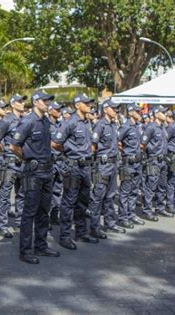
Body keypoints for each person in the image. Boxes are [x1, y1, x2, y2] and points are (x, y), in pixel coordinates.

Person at [10, 90, 60, 264]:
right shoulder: (28, 121)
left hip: (47, 171)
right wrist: (27, 158)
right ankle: (25, 250)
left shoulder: (45, 121)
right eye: (45, 101)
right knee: (29, 212)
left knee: (43, 211)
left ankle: (41, 245)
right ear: (36, 102)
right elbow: (14, 146)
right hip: (33, 172)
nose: (48, 104)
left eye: (48, 101)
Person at [52, 93, 99, 250]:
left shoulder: (87, 122)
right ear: (78, 105)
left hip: (85, 167)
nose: (89, 105)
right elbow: (56, 143)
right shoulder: (70, 122)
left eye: (90, 103)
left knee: (83, 201)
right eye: (86, 103)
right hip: (72, 167)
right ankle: (65, 236)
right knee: (68, 202)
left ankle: (81, 232)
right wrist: (69, 152)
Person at [0, 94, 27, 238]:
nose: (22, 104)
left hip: (23, 162)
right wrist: (5, 152)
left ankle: (19, 222)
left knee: (22, 194)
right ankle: (2, 225)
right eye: (19, 102)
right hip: (10, 163)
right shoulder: (6, 120)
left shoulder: (24, 120)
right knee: (5, 195)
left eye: (22, 101)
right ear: (13, 104)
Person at [89, 99, 124, 235]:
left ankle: (110, 223)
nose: (115, 110)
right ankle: (94, 227)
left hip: (113, 165)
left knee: (110, 196)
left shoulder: (114, 125)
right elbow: (93, 146)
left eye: (116, 108)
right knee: (98, 197)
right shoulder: (100, 125)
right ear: (105, 110)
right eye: (113, 108)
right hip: (102, 166)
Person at [141, 105, 173, 220]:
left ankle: (160, 208)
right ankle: (147, 210)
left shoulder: (163, 127)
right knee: (150, 186)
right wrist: (148, 158)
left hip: (163, 161)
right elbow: (142, 145)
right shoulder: (151, 127)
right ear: (156, 114)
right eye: (163, 112)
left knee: (162, 186)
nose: (166, 114)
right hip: (153, 161)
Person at [117, 103, 146, 227]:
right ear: (130, 112)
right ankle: (123, 217)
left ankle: (131, 214)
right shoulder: (125, 126)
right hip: (128, 162)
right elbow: (118, 142)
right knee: (125, 191)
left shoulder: (138, 126)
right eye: (137, 111)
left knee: (134, 190)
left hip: (137, 163)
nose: (140, 113)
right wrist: (125, 153)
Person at [47, 100, 63, 226]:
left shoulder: (60, 125)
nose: (59, 111)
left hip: (60, 162)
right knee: (47, 192)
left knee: (57, 190)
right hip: (49, 162)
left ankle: (54, 214)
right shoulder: (45, 124)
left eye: (60, 109)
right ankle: (45, 217)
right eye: (57, 109)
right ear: (50, 110)